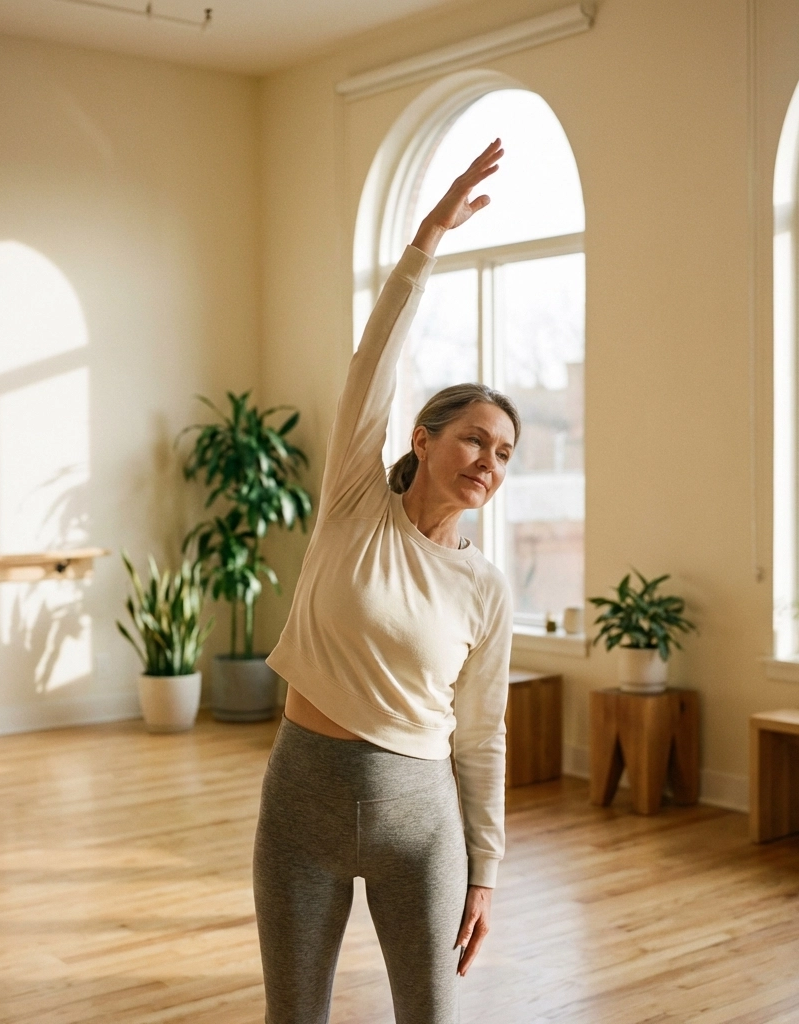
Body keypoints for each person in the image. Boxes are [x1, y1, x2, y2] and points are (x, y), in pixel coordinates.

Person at [252, 138, 518, 1024]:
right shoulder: (355, 503)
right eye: (475, 437)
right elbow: (374, 355)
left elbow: (482, 734)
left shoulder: (485, 588)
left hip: (422, 825)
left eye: (506, 451)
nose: (489, 459)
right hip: (302, 806)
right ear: (423, 439)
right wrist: (428, 241)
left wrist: (486, 869)